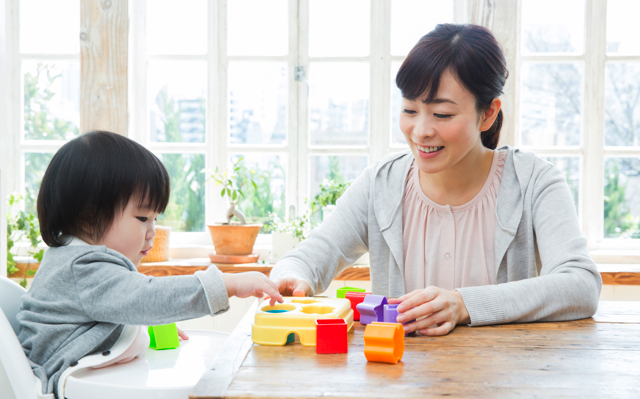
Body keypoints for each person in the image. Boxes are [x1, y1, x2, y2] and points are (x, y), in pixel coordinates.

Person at [271, 23, 601, 336]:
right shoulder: (380, 185)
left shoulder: (535, 183)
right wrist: (291, 278)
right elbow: (307, 258)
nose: (421, 131)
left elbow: (580, 285)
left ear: (487, 113)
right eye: (409, 110)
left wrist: (464, 304)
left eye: (442, 114)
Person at [17, 131, 283, 397]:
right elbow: (146, 296)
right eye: (143, 217)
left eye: (156, 218)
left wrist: (139, 325)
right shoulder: (82, 267)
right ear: (88, 216)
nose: (152, 231)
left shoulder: (74, 261)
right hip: (66, 387)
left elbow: (112, 309)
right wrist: (227, 283)